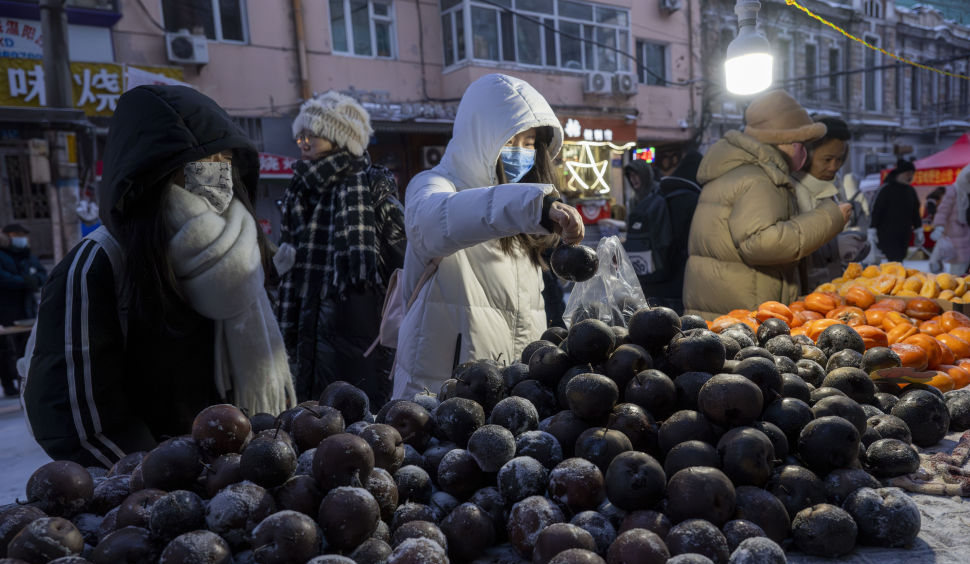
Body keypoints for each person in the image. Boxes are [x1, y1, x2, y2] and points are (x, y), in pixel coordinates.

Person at [22, 85, 295, 467]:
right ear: (152, 170)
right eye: (201, 160)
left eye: (226, 158)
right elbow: (71, 415)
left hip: (240, 473)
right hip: (155, 483)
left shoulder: (246, 249)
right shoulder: (99, 263)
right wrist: (162, 475)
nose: (218, 171)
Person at [392, 74, 584, 398]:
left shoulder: (525, 211)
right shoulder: (434, 185)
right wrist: (533, 206)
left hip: (512, 394)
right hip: (440, 395)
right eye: (509, 142)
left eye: (529, 143)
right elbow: (434, 221)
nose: (520, 153)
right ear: (478, 138)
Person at [274, 92, 405, 408]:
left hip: (362, 342)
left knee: (358, 422)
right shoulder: (300, 192)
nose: (304, 142)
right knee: (312, 422)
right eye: (301, 135)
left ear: (341, 138)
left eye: (313, 135)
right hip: (307, 339)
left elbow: (405, 266)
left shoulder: (371, 190)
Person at [683, 90, 850, 319]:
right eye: (801, 143)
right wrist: (830, 217)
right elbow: (761, 243)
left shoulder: (737, 171)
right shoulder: (759, 179)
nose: (804, 151)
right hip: (745, 314)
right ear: (786, 142)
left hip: (726, 310)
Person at [792, 117, 870, 290]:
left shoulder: (834, 184)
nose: (834, 166)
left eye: (840, 159)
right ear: (805, 155)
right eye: (827, 159)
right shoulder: (792, 190)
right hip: (806, 289)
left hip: (829, 284)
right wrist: (834, 248)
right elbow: (789, 245)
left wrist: (846, 244)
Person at [625, 150, 702, 312]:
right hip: (674, 286)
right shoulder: (691, 199)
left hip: (647, 281)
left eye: (636, 175)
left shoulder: (655, 196)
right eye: (630, 176)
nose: (633, 180)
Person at [0, 225, 45, 396]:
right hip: (5, 309)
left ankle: (25, 383)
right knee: (5, 349)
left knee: (27, 347)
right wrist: (25, 281)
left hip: (27, 309)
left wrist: (34, 280)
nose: (21, 238)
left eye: (23, 235)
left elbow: (42, 274)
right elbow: (3, 278)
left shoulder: (28, 255)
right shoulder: (2, 255)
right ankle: (8, 384)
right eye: (17, 234)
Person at [930, 163, 970, 274]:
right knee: (957, 266)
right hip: (953, 235)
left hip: (968, 234)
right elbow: (943, 210)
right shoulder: (953, 191)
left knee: (965, 264)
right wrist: (939, 226)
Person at [871, 159, 922, 262]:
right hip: (887, 233)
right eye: (908, 174)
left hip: (904, 232)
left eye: (912, 174)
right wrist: (872, 228)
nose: (910, 177)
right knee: (894, 259)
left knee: (900, 257)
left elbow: (915, 211)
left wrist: (918, 228)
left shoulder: (910, 190)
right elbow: (876, 209)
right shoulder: (886, 189)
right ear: (899, 173)